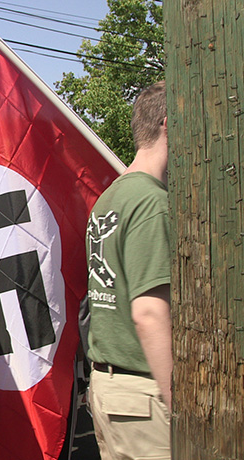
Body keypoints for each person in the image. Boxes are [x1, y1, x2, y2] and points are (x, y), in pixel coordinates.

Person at [85, 81, 171, 460]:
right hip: (146, 396)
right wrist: (180, 401)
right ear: (170, 124)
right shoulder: (152, 202)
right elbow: (149, 313)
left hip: (108, 388)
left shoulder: (111, 196)